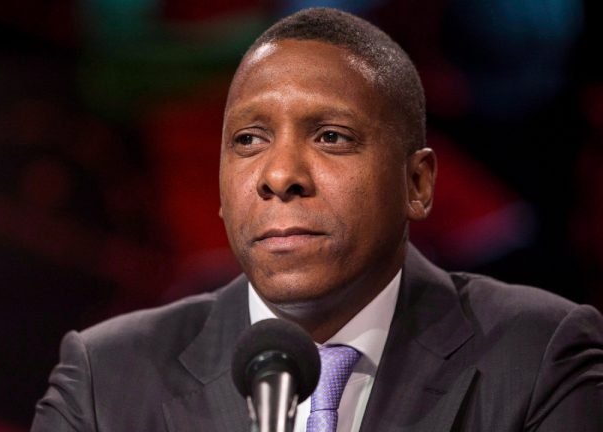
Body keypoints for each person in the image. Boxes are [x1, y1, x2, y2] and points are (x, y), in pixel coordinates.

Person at [31, 8, 603, 432]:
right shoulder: (102, 374)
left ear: (418, 183)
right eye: (249, 141)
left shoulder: (540, 353)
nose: (280, 175)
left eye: (331, 137)